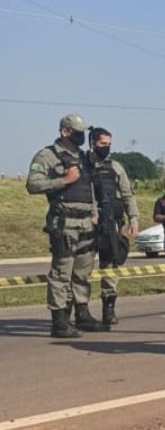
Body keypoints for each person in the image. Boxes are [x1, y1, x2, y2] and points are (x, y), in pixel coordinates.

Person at [26, 113, 110, 337]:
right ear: (65, 132)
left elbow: (89, 188)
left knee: (83, 271)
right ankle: (59, 321)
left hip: (86, 221)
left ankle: (82, 314)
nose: (82, 136)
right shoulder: (47, 155)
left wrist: (94, 212)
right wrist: (63, 180)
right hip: (64, 220)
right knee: (62, 272)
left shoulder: (83, 157)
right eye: (77, 132)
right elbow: (32, 185)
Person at [88, 127, 139, 325]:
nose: (106, 148)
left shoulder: (115, 167)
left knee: (110, 265)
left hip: (111, 223)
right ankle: (81, 310)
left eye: (109, 144)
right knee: (83, 267)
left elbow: (127, 195)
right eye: (103, 144)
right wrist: (93, 213)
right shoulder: (84, 165)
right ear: (93, 143)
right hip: (88, 223)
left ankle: (109, 307)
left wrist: (133, 219)